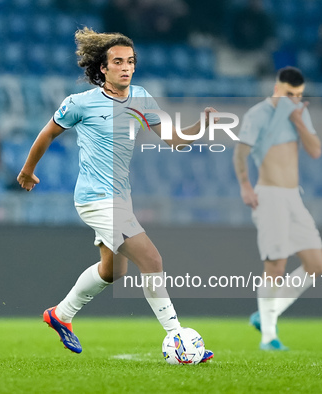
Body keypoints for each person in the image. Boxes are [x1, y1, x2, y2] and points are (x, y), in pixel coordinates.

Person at [17, 27, 215, 360]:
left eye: (131, 61)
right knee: (152, 260)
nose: (126, 67)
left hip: (121, 198)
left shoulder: (141, 99)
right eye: (118, 62)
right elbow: (47, 133)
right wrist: (27, 170)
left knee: (112, 272)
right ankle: (178, 339)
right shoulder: (80, 103)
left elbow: (174, 139)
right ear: (102, 69)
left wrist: (201, 128)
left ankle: (60, 315)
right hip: (95, 198)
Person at [233, 66, 322, 351]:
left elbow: (315, 150)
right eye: (289, 94)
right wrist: (246, 186)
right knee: (276, 264)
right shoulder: (257, 114)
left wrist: (297, 119)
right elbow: (241, 152)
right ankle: (268, 337)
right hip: (269, 194)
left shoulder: (299, 112)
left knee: (316, 265)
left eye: (299, 95)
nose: (294, 99)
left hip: (293, 196)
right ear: (277, 89)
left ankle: (266, 315)